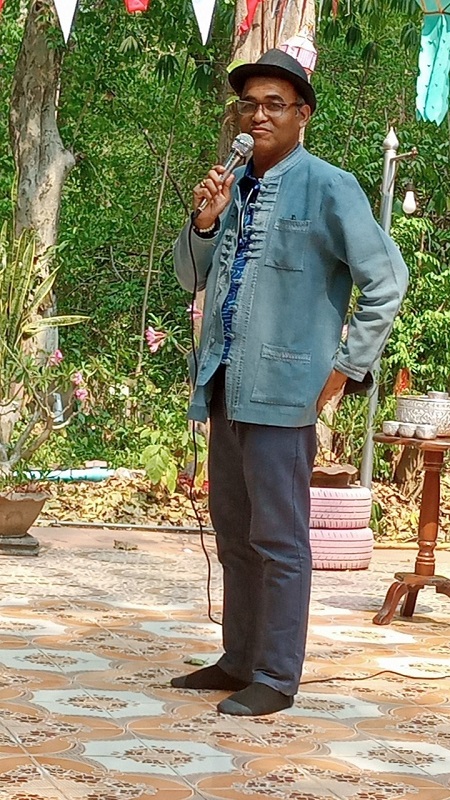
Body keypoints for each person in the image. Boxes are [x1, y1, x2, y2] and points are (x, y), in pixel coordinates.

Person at [172, 49, 408, 717]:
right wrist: (205, 220)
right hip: (225, 382)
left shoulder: (330, 187)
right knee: (233, 530)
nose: (258, 115)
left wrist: (347, 366)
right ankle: (239, 658)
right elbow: (191, 276)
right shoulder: (231, 187)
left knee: (278, 537)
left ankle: (276, 676)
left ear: (302, 114)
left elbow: (386, 281)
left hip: (285, 391)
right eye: (248, 104)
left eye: (274, 104)